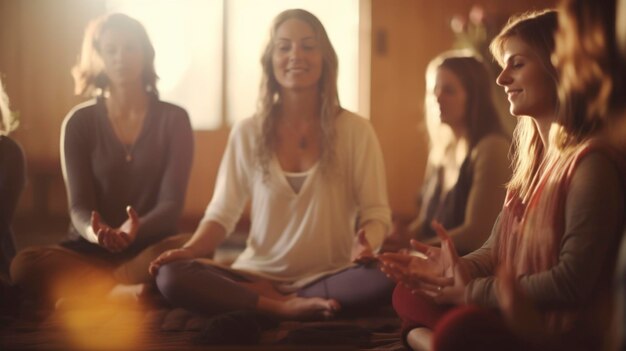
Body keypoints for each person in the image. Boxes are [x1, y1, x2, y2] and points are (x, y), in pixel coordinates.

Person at [380, 9, 626, 351]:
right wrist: (450, 269)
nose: (502, 79)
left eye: (517, 64)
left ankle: (430, 340)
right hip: (502, 311)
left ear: (558, 66)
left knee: (459, 328)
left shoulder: (591, 164)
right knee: (408, 292)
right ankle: (434, 342)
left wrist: (472, 292)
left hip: (549, 332)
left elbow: (572, 283)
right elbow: (495, 250)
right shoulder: (533, 163)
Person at [149, 8, 393, 321]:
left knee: (390, 275)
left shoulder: (356, 130)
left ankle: (264, 304)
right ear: (270, 59)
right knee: (171, 275)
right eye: (284, 46)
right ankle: (280, 306)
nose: (296, 55)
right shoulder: (248, 131)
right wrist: (192, 250)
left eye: (308, 45)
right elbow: (222, 213)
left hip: (331, 276)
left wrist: (365, 247)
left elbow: (376, 214)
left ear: (325, 58)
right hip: (258, 275)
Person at [10, 13, 194, 306]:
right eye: (111, 50)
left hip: (150, 247)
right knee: (24, 264)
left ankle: (97, 292)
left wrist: (133, 231)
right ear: (98, 57)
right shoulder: (78, 122)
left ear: (145, 53)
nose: (121, 57)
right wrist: (100, 235)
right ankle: (120, 291)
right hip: (89, 251)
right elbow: (79, 207)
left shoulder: (175, 119)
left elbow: (171, 206)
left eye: (130, 48)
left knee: (193, 248)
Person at [384, 52, 510, 256]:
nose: (437, 97)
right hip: (433, 263)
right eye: (434, 90)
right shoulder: (441, 149)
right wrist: (401, 237)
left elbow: (477, 234)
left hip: (467, 271)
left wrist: (412, 249)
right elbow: (426, 222)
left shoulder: (491, 148)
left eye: (449, 90)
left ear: (474, 97)